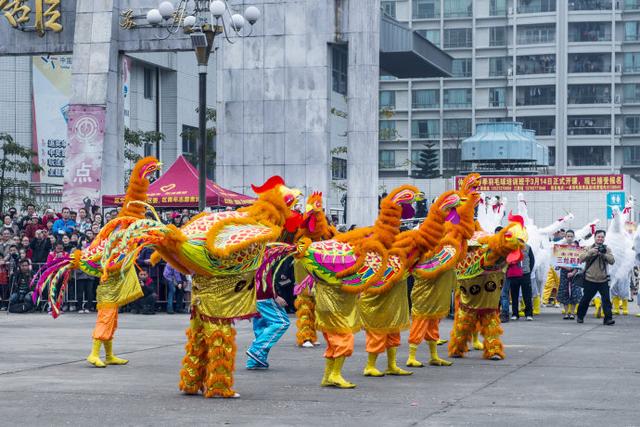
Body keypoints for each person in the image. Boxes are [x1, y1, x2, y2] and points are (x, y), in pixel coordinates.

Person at [245, 269, 291, 370]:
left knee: (261, 327)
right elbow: (264, 276)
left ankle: (255, 361)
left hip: (255, 296)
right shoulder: (264, 254)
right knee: (282, 322)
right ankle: (256, 350)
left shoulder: (251, 254)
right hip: (265, 296)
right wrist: (275, 296)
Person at [576, 230, 615, 325]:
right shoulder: (588, 248)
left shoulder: (607, 249)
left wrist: (603, 254)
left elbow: (612, 261)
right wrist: (590, 252)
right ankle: (580, 316)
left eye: (602, 237)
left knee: (606, 300)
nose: (600, 239)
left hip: (603, 279)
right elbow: (580, 258)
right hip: (590, 279)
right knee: (585, 299)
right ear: (595, 238)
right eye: (598, 237)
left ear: (604, 239)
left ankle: (608, 319)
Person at [556, 230, 583, 320]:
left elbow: (579, 262)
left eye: (571, 236)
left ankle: (572, 312)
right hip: (564, 272)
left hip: (574, 273)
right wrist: (565, 268)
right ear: (565, 237)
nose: (570, 238)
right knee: (564, 291)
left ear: (574, 237)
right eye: (568, 236)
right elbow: (557, 261)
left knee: (575, 292)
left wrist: (573, 272)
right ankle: (566, 312)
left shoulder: (577, 248)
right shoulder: (560, 248)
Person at [509, 242, 535, 321]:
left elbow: (532, 260)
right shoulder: (511, 247)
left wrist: (528, 270)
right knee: (514, 295)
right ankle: (515, 313)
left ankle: (529, 314)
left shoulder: (527, 247)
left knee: (527, 295)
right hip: (514, 274)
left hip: (525, 274)